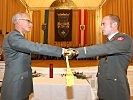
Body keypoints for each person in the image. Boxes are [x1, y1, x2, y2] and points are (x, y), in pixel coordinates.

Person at [1, 12, 76, 100]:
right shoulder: (13, 37)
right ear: (19, 22)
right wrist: (62, 51)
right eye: (28, 21)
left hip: (20, 83)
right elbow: (36, 47)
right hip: (15, 85)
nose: (31, 24)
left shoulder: (17, 37)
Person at [73, 14, 133, 100]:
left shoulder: (124, 39)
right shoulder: (107, 42)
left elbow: (106, 48)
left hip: (116, 92)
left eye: (103, 24)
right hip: (103, 91)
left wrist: (77, 51)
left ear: (114, 25)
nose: (101, 27)